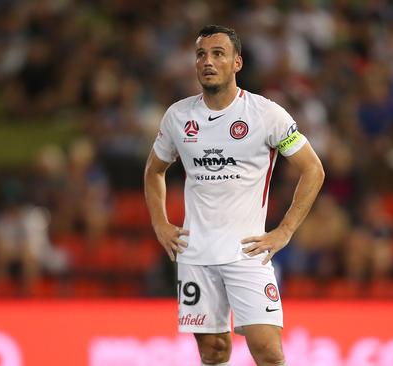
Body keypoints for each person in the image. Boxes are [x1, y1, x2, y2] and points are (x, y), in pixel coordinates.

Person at [144, 25, 324, 366]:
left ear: (237, 63)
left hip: (247, 252)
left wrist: (284, 231)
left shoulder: (266, 115)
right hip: (196, 253)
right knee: (214, 351)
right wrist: (160, 223)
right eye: (201, 55)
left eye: (217, 54)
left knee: (269, 351)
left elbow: (313, 169)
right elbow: (154, 170)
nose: (207, 61)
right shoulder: (178, 117)